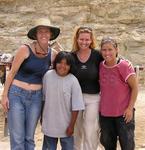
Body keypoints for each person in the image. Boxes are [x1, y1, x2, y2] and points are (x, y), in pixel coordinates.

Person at [1, 18, 60, 150]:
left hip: (36, 98)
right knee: (17, 137)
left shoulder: (53, 55)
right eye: (40, 31)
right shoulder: (25, 49)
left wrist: (62, 52)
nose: (44, 34)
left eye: (47, 31)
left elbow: (65, 66)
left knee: (29, 137)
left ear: (51, 35)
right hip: (17, 94)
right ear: (35, 35)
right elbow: (11, 73)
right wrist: (4, 96)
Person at [99, 36, 138, 150]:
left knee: (127, 146)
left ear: (117, 50)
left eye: (110, 49)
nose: (107, 53)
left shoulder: (124, 66)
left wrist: (130, 108)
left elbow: (135, 88)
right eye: (104, 50)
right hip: (105, 115)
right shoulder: (100, 65)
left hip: (124, 114)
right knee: (108, 145)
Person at [41, 51, 84, 150]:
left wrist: (71, 126)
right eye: (60, 62)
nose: (62, 66)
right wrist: (42, 117)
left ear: (70, 66)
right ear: (55, 63)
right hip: (49, 124)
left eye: (66, 64)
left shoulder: (73, 81)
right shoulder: (48, 76)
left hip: (66, 126)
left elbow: (76, 107)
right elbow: (43, 99)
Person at [71, 26, 103, 150]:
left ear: (91, 40)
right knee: (77, 129)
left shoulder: (97, 55)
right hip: (76, 98)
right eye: (81, 39)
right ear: (77, 39)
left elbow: (111, 61)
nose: (84, 42)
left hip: (93, 97)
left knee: (90, 128)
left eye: (87, 40)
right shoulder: (72, 56)